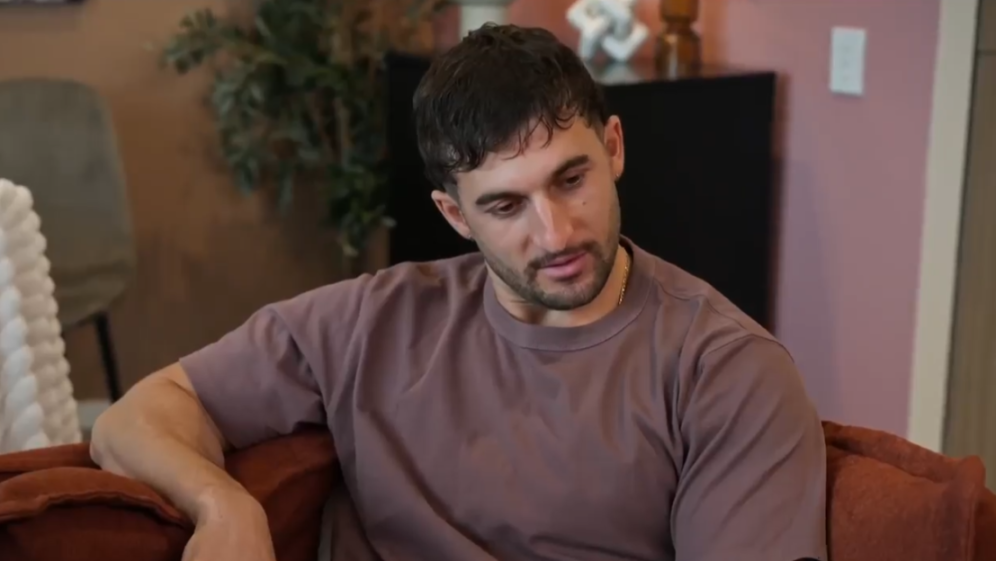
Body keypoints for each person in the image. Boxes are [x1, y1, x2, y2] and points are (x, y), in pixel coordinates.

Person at [90, 24, 827, 561]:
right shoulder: (371, 320)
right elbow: (134, 418)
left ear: (613, 148)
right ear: (455, 215)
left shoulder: (725, 370)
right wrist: (223, 506)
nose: (556, 232)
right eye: (506, 206)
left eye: (571, 179)